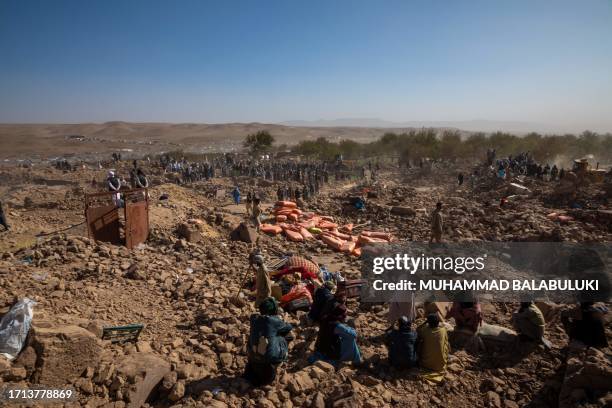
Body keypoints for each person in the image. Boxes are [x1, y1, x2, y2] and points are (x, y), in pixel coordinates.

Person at [244, 297, 293, 386]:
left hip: (252, 357)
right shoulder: (272, 320)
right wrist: (284, 319)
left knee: (264, 337)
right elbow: (288, 327)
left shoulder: (253, 318)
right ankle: (280, 359)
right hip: (267, 365)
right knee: (287, 336)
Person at [310, 300, 362, 367]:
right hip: (329, 353)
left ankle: (357, 360)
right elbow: (353, 335)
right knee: (350, 339)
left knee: (345, 336)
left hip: (320, 348)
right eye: (345, 314)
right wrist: (351, 327)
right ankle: (357, 361)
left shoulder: (327, 318)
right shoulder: (336, 325)